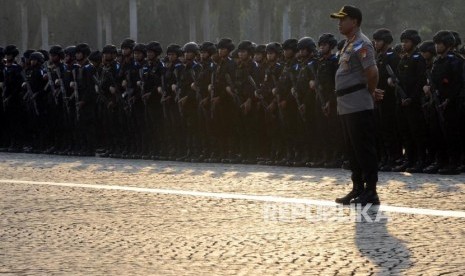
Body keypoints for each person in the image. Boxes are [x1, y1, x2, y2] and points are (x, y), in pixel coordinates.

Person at [330, 5, 382, 205]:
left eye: (343, 19)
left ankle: (371, 190)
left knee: (364, 149)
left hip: (358, 104)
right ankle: (358, 187)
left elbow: (372, 72)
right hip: (346, 104)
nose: (339, 23)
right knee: (352, 150)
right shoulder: (348, 44)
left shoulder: (361, 44)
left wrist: (369, 91)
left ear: (355, 21)